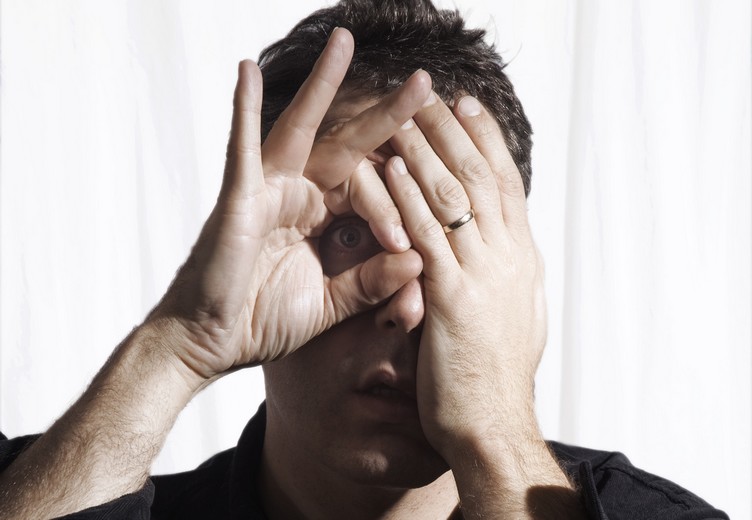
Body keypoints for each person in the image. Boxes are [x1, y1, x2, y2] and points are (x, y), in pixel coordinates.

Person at [0, 1, 729, 518]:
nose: (404, 306)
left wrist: (499, 435)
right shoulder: (67, 493)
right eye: (347, 237)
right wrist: (177, 344)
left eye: (451, 241)